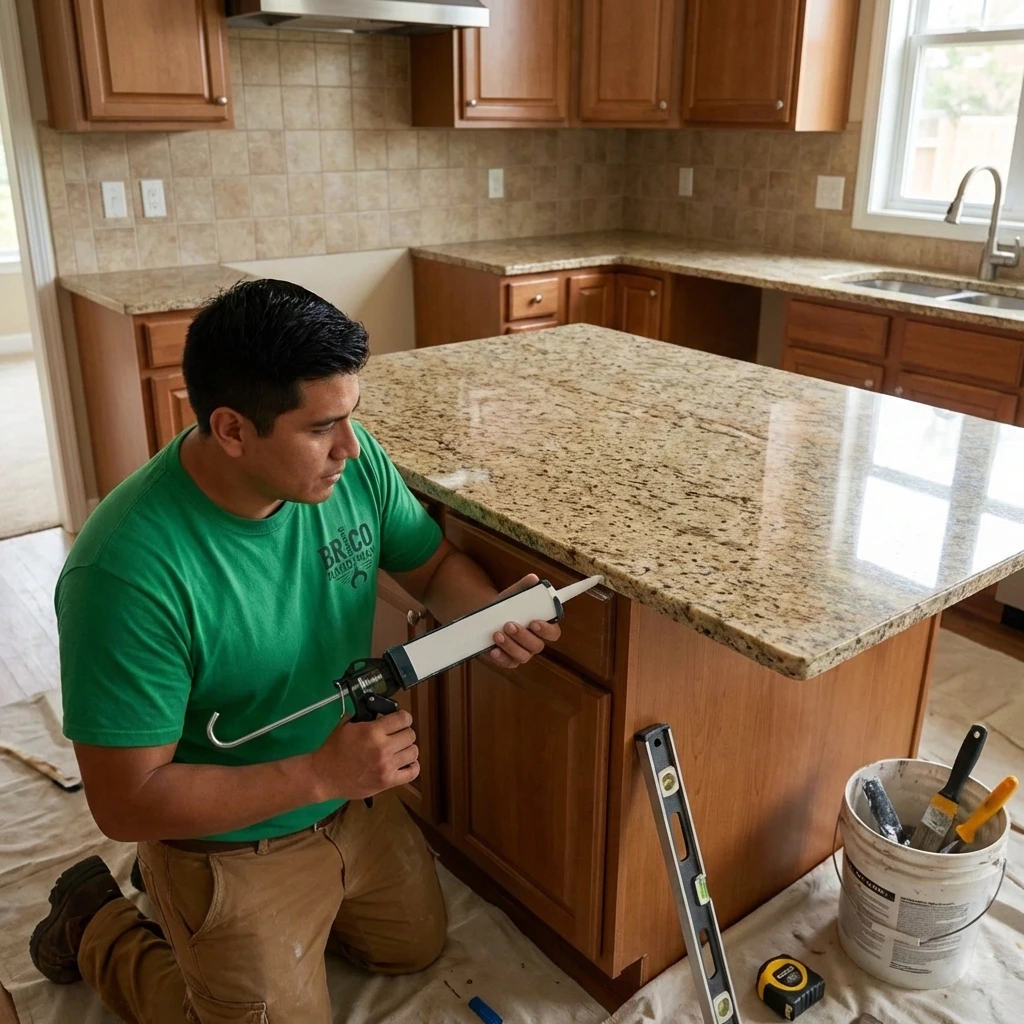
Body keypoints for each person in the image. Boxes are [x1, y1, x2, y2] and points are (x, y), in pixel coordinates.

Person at [29, 279, 559, 1023]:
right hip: (226, 843)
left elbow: (433, 569)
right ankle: (97, 919)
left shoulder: (352, 462)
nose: (350, 447)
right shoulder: (124, 573)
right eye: (320, 429)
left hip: (347, 800)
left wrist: (489, 619)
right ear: (233, 429)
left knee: (414, 947)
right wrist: (319, 771)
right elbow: (125, 799)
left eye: (351, 419)